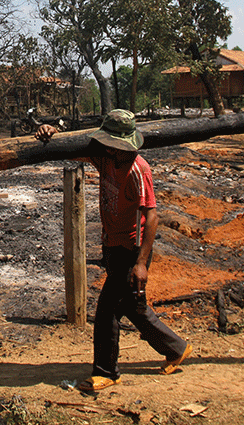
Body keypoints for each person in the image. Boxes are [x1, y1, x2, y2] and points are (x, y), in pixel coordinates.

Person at [35, 109, 192, 392]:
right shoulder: (105, 157)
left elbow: (152, 216)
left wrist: (141, 263)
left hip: (132, 250)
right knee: (132, 306)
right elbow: (71, 151)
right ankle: (176, 348)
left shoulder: (138, 169)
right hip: (112, 244)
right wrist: (52, 132)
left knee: (107, 309)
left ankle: (106, 372)